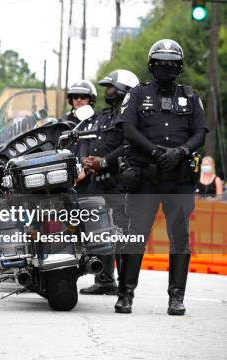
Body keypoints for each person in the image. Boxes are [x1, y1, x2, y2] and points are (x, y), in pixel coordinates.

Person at [115, 39, 207, 316]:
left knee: (180, 239)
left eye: (171, 65)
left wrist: (180, 152)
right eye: (160, 64)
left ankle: (176, 298)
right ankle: (125, 295)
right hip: (146, 177)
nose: (165, 69)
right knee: (135, 237)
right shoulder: (137, 94)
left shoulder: (191, 97)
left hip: (178, 180)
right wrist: (155, 151)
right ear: (151, 66)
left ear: (179, 68)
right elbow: (128, 129)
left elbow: (200, 132)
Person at [80, 69, 139, 295]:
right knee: (99, 232)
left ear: (124, 89)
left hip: (119, 182)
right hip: (98, 183)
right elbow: (90, 140)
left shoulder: (132, 116)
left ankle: (124, 285)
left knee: (121, 233)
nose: (107, 91)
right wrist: (86, 162)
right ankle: (105, 280)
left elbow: (128, 146)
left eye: (111, 87)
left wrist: (104, 162)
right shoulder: (104, 115)